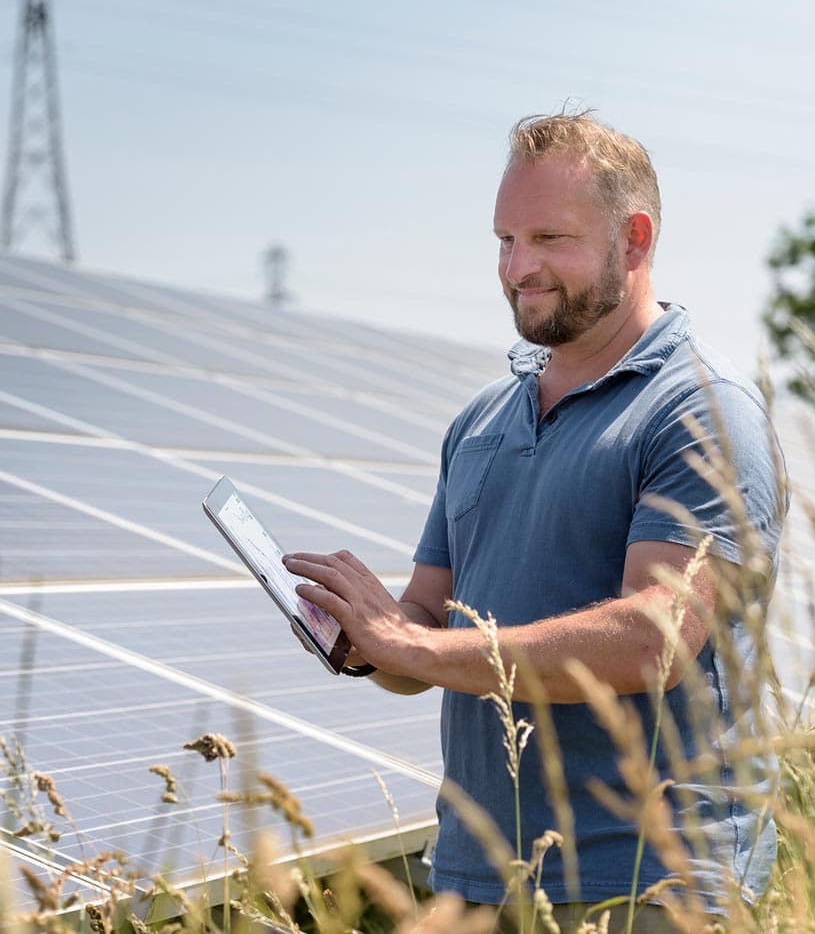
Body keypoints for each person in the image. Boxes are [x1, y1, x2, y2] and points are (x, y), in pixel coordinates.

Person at [285, 112, 786, 931]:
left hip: (646, 885)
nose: (519, 267)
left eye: (549, 237)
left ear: (633, 238)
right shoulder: (481, 422)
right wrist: (364, 639)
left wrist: (414, 644)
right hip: (479, 880)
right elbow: (425, 642)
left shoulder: (699, 410)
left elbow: (656, 636)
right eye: (505, 239)